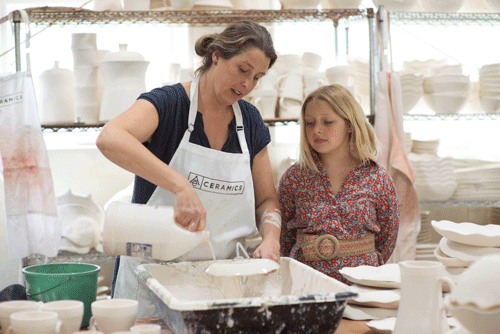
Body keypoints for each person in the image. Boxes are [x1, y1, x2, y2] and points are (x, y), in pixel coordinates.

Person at [96, 20, 282, 317]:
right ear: (217, 56)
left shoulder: (250, 121)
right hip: (152, 281)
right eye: (243, 70)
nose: (248, 84)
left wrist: (271, 238)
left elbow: (266, 200)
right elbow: (110, 138)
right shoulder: (169, 104)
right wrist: (180, 186)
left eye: (258, 77)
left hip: (222, 284)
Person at [278, 84, 400, 284]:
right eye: (309, 123)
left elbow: (387, 240)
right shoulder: (294, 179)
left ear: (350, 124)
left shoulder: (377, 178)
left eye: (327, 122)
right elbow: (284, 239)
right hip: (306, 286)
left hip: (362, 286)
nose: (317, 130)